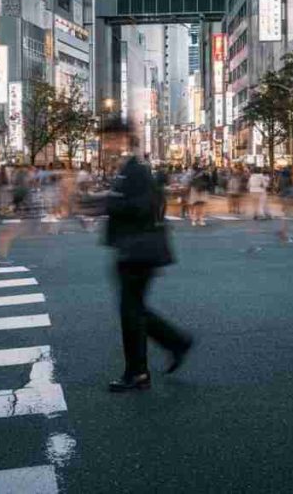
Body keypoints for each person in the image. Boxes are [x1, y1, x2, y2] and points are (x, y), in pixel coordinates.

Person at [104, 124, 192, 392]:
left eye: (108, 139)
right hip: (133, 248)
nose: (105, 145)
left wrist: (110, 203)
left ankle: (139, 372)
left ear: (122, 139)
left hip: (138, 250)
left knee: (131, 311)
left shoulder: (137, 169)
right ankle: (175, 343)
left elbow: (144, 207)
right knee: (135, 310)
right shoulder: (129, 168)